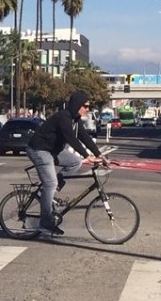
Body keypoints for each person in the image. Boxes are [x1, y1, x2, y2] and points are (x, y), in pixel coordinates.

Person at [26, 91, 107, 236]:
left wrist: (99, 155)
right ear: (77, 105)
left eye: (89, 107)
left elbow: (85, 137)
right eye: (85, 106)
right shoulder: (64, 117)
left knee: (75, 162)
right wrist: (87, 156)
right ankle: (44, 223)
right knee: (50, 183)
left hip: (53, 150)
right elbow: (71, 139)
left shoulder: (75, 120)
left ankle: (51, 192)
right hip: (39, 150)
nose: (87, 109)